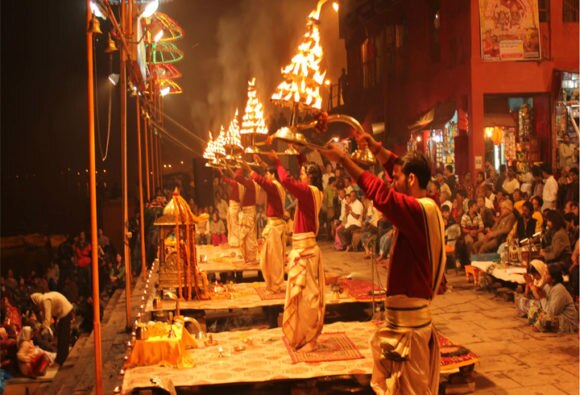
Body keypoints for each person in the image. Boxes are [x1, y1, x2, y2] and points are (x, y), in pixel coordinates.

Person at [319, 135, 445, 394]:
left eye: (396, 178)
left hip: (411, 331)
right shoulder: (425, 204)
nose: (392, 180)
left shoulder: (417, 210)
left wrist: (344, 159)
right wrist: (376, 147)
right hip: (404, 324)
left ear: (411, 179)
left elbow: (381, 193)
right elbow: (399, 169)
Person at [263, 151, 324, 353]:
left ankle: (311, 338)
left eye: (304, 173)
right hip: (301, 249)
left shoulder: (309, 192)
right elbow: (298, 174)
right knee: (298, 298)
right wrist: (299, 154)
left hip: (305, 251)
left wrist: (277, 161)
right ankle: (301, 335)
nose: (301, 175)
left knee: (308, 298)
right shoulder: (311, 191)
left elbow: (287, 181)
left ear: (311, 178)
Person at [245, 158, 287, 293]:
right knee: (267, 258)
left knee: (273, 259)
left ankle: (276, 285)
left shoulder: (274, 186)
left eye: (268, 174)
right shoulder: (276, 186)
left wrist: (248, 168)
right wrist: (261, 162)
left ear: (273, 175)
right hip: (273, 226)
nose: (266, 176)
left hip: (275, 227)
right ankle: (273, 284)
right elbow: (265, 179)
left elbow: (262, 182)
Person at [527, 263, 578, 333]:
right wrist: (537, 285)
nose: (544, 275)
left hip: (566, 321)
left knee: (545, 318)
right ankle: (541, 324)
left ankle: (541, 325)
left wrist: (542, 298)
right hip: (553, 315)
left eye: (547, 274)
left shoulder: (559, 289)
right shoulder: (548, 286)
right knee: (532, 309)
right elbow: (540, 300)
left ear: (553, 279)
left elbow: (551, 312)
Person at [30, 292, 73, 366]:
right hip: (63, 313)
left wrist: (41, 329)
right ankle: (60, 358)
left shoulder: (45, 300)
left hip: (65, 312)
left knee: (63, 336)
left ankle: (61, 359)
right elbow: (44, 317)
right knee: (61, 336)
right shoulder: (44, 300)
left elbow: (47, 318)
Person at [232, 168, 259, 264]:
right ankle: (247, 257)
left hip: (249, 213)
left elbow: (238, 178)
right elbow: (237, 178)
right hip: (245, 212)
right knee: (245, 236)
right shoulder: (249, 185)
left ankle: (251, 258)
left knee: (249, 237)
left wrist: (240, 167)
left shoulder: (251, 184)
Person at [220, 169, 243, 248]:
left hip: (234, 207)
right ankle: (235, 241)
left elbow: (225, 179)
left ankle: (236, 242)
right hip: (235, 207)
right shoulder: (241, 184)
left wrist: (221, 171)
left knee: (234, 225)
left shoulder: (236, 184)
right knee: (232, 224)